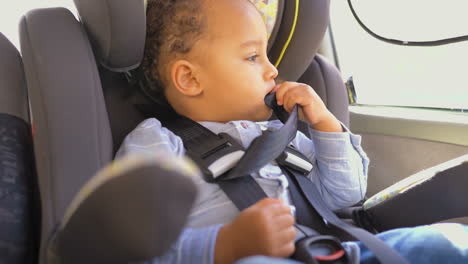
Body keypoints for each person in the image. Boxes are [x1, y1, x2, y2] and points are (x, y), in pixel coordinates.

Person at [117, 0, 468, 263]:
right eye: (253, 57)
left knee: (447, 243)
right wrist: (225, 244)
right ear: (190, 78)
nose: (273, 70)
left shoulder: (281, 132)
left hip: (333, 250)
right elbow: (134, 244)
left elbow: (345, 198)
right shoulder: (158, 142)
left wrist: (326, 125)